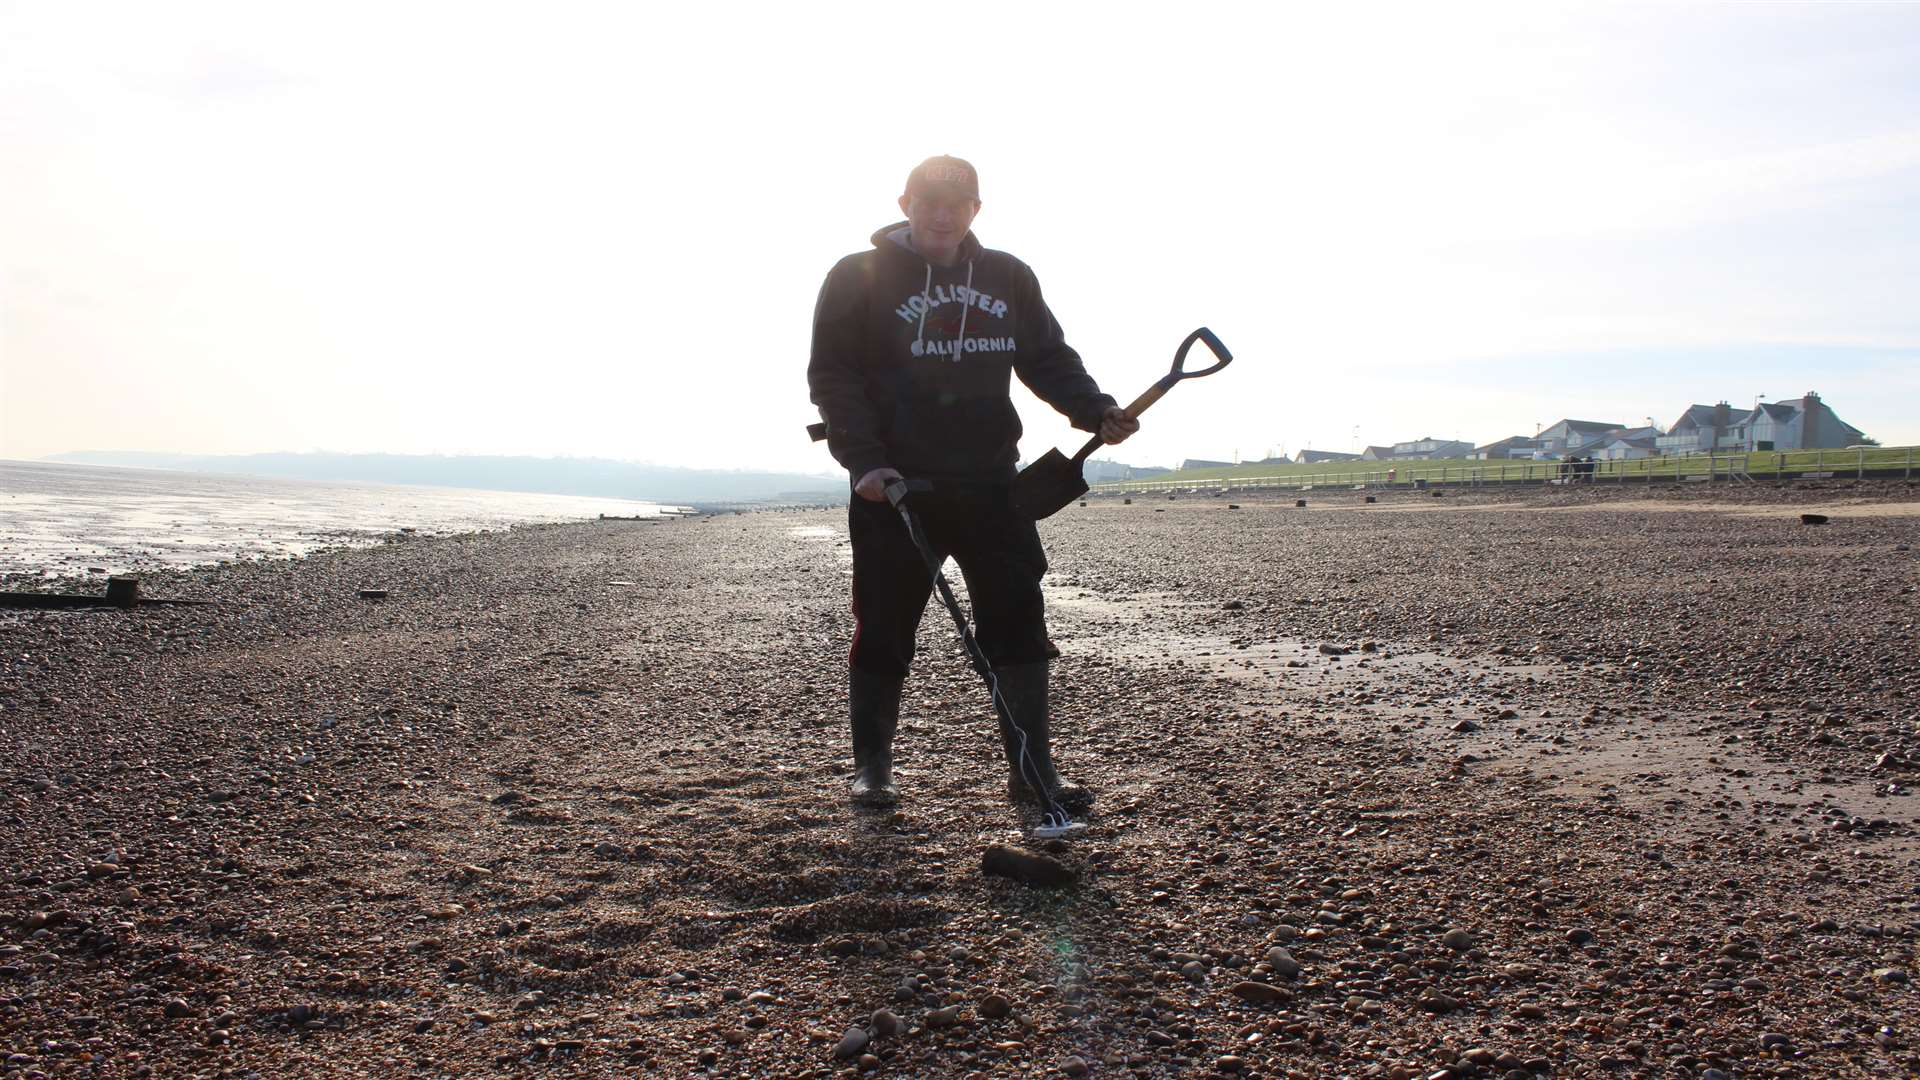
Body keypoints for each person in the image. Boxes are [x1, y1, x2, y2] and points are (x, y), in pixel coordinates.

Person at [807, 155, 1139, 810]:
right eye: (930, 199)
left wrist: (1094, 408)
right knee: (882, 628)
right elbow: (834, 376)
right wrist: (864, 460)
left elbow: (1046, 356)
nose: (942, 212)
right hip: (896, 487)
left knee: (1018, 623)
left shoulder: (1007, 276)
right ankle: (872, 768)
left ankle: (1033, 770)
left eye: (957, 202)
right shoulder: (856, 277)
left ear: (975, 211)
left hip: (993, 484)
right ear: (905, 202)